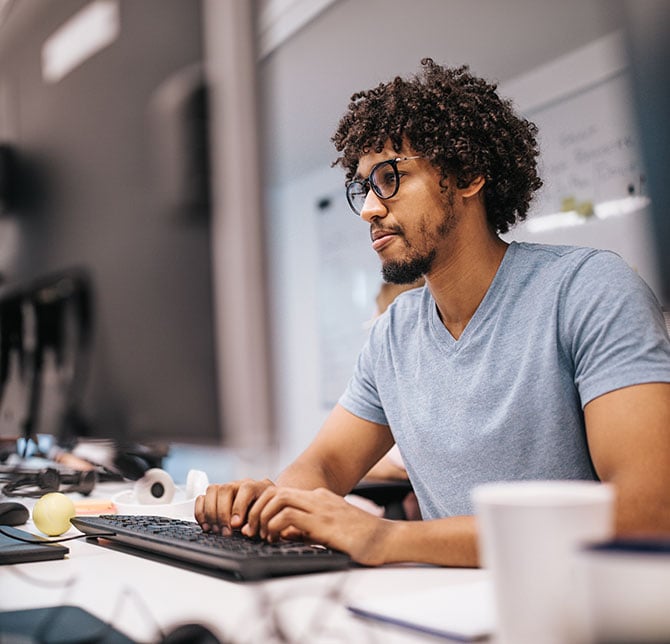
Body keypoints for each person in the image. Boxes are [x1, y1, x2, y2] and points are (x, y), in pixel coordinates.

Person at [196, 59, 670, 567]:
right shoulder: (394, 334)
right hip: (448, 608)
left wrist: (385, 539)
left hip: (579, 606)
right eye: (363, 187)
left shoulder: (588, 290)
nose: (369, 209)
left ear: (467, 177)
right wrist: (265, 503)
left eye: (390, 177)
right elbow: (326, 465)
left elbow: (647, 513)